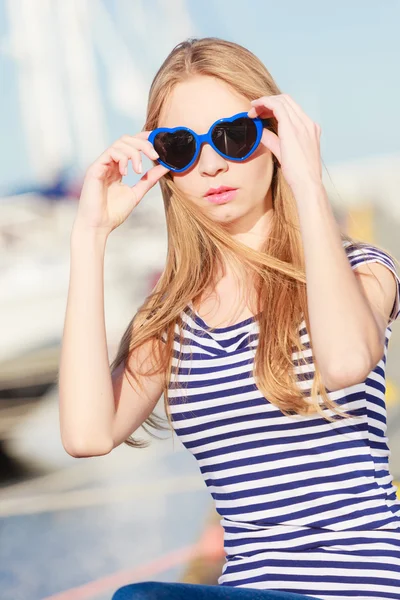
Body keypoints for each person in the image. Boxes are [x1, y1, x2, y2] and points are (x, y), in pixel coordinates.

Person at [58, 37, 400, 600]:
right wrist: (89, 235)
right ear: (163, 165)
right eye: (180, 147)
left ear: (274, 136)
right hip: (248, 589)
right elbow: (87, 435)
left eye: (233, 136)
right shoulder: (171, 320)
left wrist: (307, 182)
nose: (211, 163)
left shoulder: (361, 270)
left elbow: (344, 362)